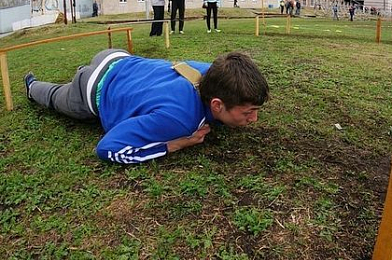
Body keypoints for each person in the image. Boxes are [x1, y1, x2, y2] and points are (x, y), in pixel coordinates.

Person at [23, 50, 270, 163]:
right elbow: (108, 148)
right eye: (248, 112)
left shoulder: (213, 72)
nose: (254, 119)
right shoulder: (180, 120)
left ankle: (80, 72)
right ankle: (32, 87)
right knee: (57, 97)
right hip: (92, 88)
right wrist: (176, 144)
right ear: (217, 104)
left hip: (116, 57)